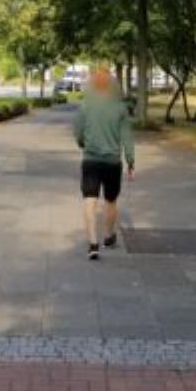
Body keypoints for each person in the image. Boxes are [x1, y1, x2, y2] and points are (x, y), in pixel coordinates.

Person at [73, 68, 135, 260]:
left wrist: (83, 144)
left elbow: (78, 131)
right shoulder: (120, 108)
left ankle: (93, 243)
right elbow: (127, 138)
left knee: (89, 200)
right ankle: (108, 237)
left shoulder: (85, 105)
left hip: (90, 160)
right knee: (110, 200)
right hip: (112, 162)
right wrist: (131, 161)